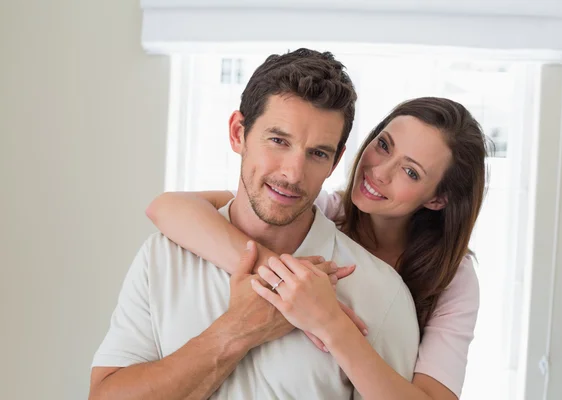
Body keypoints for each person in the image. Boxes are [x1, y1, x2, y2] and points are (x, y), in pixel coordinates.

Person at [89, 48, 419, 400]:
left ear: (335, 162)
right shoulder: (163, 257)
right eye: (278, 141)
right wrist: (237, 329)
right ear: (237, 133)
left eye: (317, 153)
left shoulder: (380, 294)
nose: (293, 174)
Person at [146, 97, 488, 399]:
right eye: (384, 145)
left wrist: (329, 320)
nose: (379, 172)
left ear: (438, 199)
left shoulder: (454, 278)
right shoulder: (318, 211)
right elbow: (168, 208)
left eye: (411, 172)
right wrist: (284, 279)